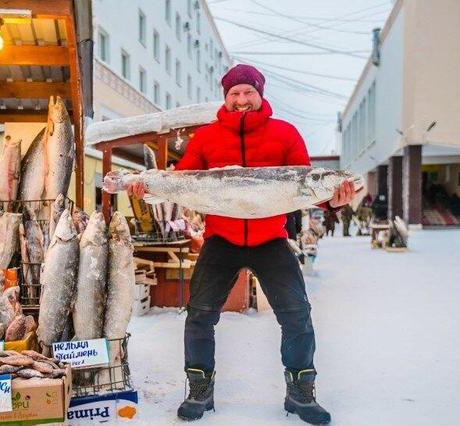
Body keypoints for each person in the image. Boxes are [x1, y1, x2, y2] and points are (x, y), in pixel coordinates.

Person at [127, 64, 355, 425]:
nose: (241, 99)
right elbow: (182, 178)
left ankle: (300, 392)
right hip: (222, 239)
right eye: (234, 93)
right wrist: (150, 185)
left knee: (297, 314)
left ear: (260, 94)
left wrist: (334, 200)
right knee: (199, 315)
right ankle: (200, 389)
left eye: (248, 91)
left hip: (270, 239)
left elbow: (305, 182)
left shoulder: (285, 133)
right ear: (226, 97)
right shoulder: (206, 137)